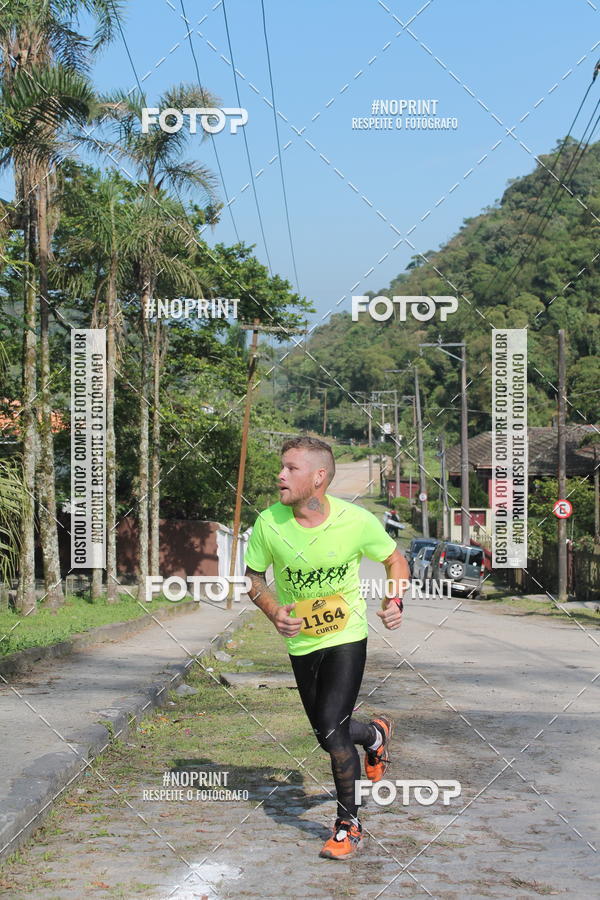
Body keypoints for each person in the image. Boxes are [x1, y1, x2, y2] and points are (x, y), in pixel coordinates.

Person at [244, 436, 410, 860]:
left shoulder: (356, 521)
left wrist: (394, 599)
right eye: (281, 467)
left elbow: (394, 559)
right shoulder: (269, 523)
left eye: (291, 468)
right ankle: (374, 734)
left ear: (318, 477)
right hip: (302, 642)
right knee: (326, 732)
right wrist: (272, 611)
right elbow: (253, 578)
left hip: (345, 636)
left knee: (333, 731)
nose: (280, 475)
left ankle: (347, 823)